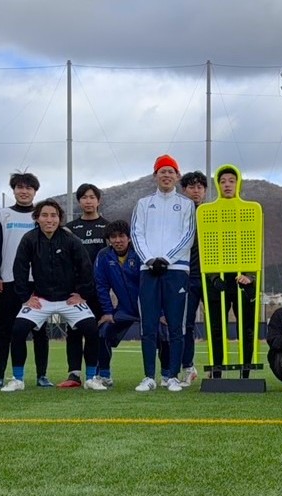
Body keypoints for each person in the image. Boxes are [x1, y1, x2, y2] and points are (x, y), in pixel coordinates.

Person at [0, 199, 99, 392]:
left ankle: (91, 378)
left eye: (53, 215)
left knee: (91, 329)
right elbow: (19, 268)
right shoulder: (29, 239)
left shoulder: (70, 239)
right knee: (18, 330)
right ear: (37, 218)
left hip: (69, 299)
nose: (49, 219)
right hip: (41, 299)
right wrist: (25, 297)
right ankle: (17, 379)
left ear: (59, 218)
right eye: (44, 215)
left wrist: (83, 294)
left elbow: (85, 267)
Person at [130, 154, 195, 392]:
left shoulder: (186, 205)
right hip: (148, 270)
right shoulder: (143, 203)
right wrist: (149, 259)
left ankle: (172, 377)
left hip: (176, 270)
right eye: (162, 171)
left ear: (177, 176)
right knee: (148, 326)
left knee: (176, 326)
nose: (166, 175)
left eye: (170, 171)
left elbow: (188, 236)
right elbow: (136, 234)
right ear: (155, 175)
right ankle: (149, 376)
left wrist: (167, 259)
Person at [0, 172, 51, 388]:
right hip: (9, 280)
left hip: (37, 281)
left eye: (28, 188)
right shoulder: (3, 214)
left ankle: (42, 375)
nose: (24, 191)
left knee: (40, 330)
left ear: (35, 191)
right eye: (20, 187)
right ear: (13, 190)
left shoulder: (42, 215)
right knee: (5, 330)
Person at [204, 165, 257, 379]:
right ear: (217, 184)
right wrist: (214, 278)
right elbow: (207, 247)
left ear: (238, 184)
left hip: (242, 279)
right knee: (217, 328)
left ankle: (246, 372)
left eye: (231, 181)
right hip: (218, 279)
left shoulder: (249, 211)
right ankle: (216, 372)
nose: (227, 185)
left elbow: (254, 247)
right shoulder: (208, 213)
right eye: (223, 181)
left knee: (247, 328)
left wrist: (250, 276)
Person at [59, 183, 110, 388]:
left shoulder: (107, 227)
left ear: (99, 200)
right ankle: (74, 374)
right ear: (79, 201)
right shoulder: (69, 229)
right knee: (74, 330)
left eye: (92, 197)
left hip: (98, 289)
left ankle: (97, 372)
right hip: (75, 290)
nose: (88, 201)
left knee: (97, 331)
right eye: (84, 197)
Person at [90, 220, 143, 390]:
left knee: (162, 334)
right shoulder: (104, 256)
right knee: (104, 330)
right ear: (109, 240)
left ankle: (166, 375)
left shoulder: (140, 252)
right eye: (113, 237)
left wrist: (161, 312)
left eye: (121, 236)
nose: (118, 240)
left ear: (129, 238)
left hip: (147, 308)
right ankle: (104, 375)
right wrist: (107, 312)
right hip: (124, 310)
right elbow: (101, 286)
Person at [178, 170, 208, 385]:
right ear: (184, 190)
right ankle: (188, 367)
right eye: (191, 187)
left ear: (205, 191)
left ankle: (217, 367)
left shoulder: (210, 214)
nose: (196, 191)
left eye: (200, 187)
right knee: (185, 324)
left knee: (215, 324)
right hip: (186, 277)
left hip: (211, 277)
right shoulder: (178, 215)